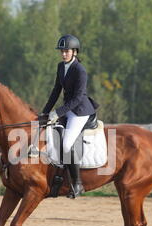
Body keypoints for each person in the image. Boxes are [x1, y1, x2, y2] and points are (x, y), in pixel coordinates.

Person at [42, 34, 97, 198]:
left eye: (67, 51)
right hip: (68, 109)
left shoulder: (80, 70)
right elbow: (56, 91)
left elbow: (78, 98)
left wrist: (58, 112)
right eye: (62, 51)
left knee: (65, 145)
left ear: (74, 52)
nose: (63, 54)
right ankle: (59, 179)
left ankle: (78, 184)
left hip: (80, 111)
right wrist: (45, 112)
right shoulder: (61, 67)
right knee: (51, 136)